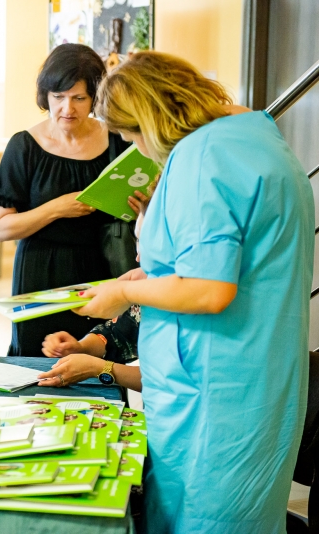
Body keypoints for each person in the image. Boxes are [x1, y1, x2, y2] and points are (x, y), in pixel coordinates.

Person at [78, 51, 314, 532]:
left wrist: (125, 296)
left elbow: (210, 289)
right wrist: (149, 277)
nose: (140, 150)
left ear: (149, 118)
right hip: (252, 378)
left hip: (215, 393)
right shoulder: (253, 135)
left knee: (208, 519)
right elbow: (232, 262)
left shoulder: (203, 155)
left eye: (134, 136)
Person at [0, 43, 134, 356]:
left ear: (95, 97)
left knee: (97, 358)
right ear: (46, 96)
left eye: (79, 98)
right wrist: (57, 208)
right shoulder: (24, 146)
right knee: (36, 363)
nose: (68, 108)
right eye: (58, 97)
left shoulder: (117, 140)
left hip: (102, 267)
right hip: (40, 271)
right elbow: (1, 228)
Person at [39, 195, 149, 392]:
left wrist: (98, 368)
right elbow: (118, 333)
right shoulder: (147, 283)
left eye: (147, 243)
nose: (138, 257)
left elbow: (168, 381)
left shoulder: (190, 301)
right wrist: (80, 347)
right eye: (137, 240)